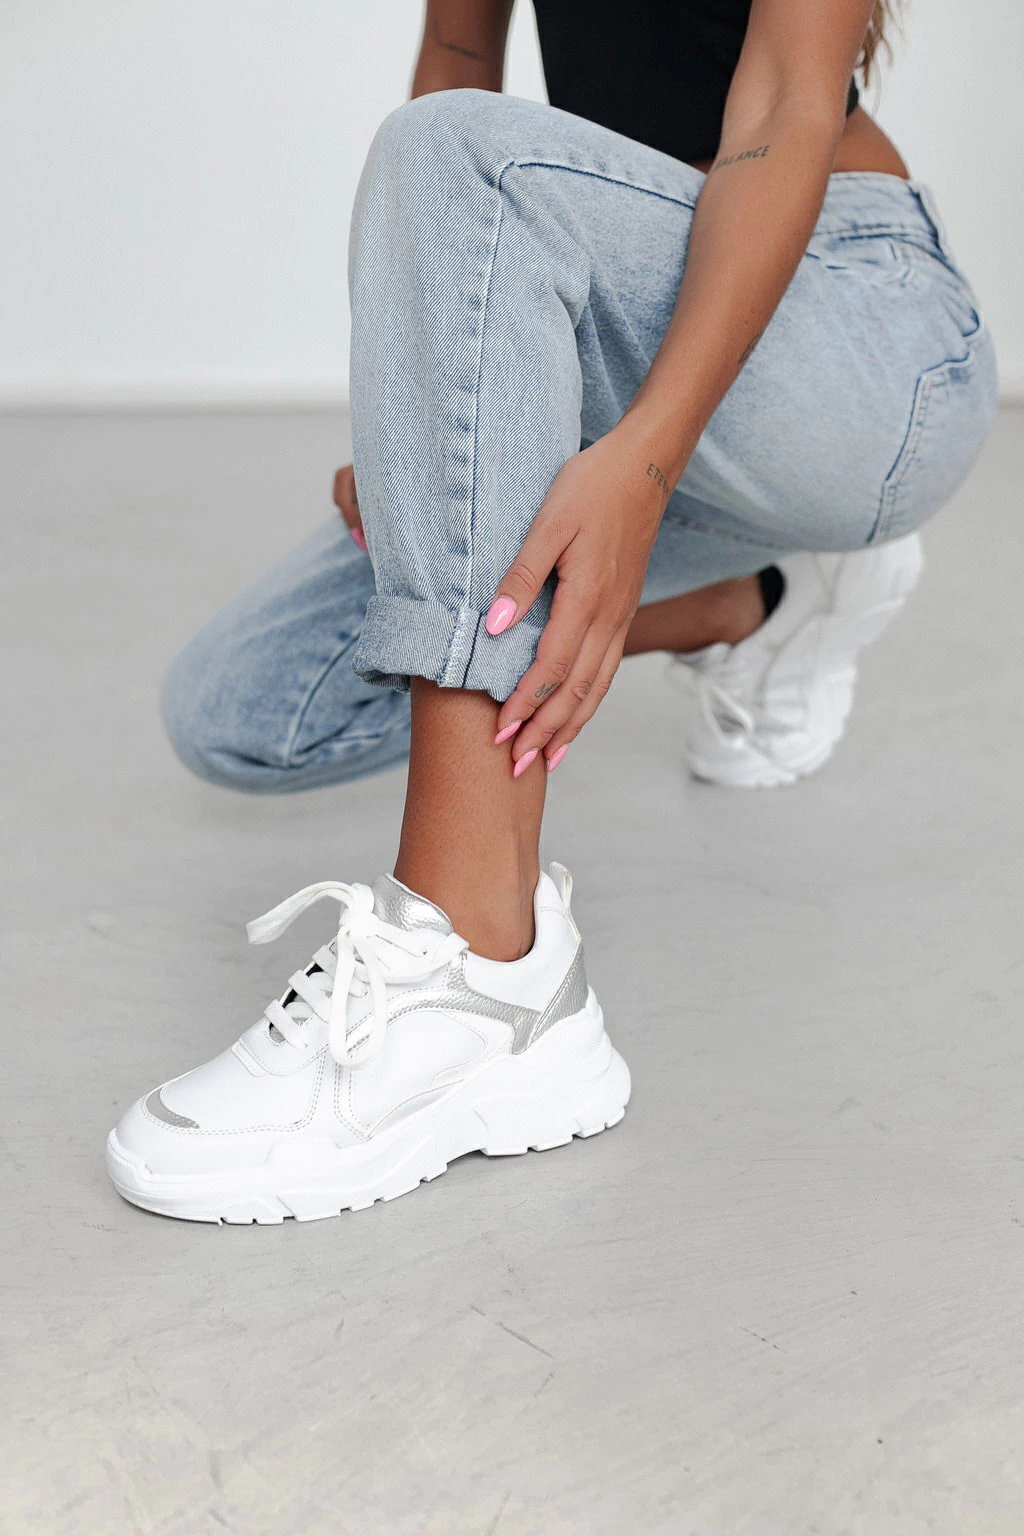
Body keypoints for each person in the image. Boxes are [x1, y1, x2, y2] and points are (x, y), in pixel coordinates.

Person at [106, 0, 996, 1223]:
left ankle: (481, 968)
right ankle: (759, 603)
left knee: (451, 151)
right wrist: (422, 422)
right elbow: (456, 58)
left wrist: (642, 461)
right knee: (242, 709)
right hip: (622, 316)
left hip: (848, 336)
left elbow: (785, 106)